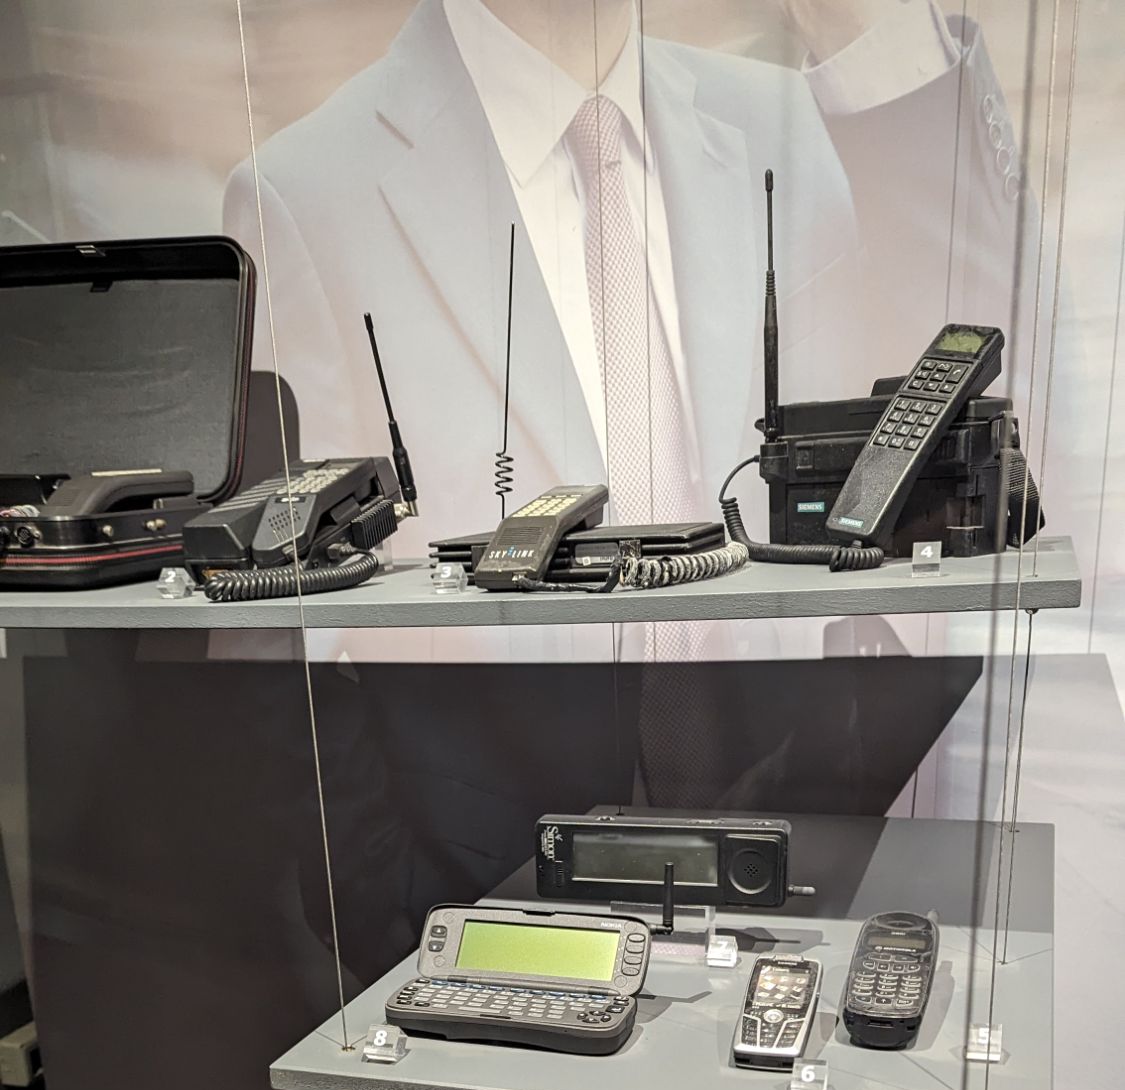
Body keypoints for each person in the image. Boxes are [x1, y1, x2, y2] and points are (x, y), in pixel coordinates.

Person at [223, 0, 1033, 958]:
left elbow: (968, 350)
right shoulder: (304, 191)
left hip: (800, 823)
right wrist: (393, 911)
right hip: (483, 881)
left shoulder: (790, 119)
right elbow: (283, 622)